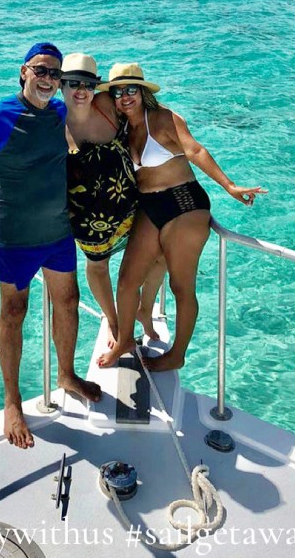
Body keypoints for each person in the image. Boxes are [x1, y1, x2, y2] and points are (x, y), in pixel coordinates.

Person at [0, 42, 101, 449]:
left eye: (55, 74)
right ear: (23, 72)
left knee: (67, 301)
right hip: (13, 235)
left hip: (57, 233)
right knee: (14, 312)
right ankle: (12, 401)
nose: (48, 79)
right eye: (41, 70)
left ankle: (66, 374)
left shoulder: (60, 112)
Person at [96, 62, 267, 372]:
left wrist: (229, 185)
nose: (125, 97)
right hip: (151, 205)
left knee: (181, 286)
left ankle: (177, 354)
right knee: (126, 281)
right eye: (118, 91)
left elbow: (195, 151)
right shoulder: (121, 127)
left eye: (131, 89)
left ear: (143, 92)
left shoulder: (162, 118)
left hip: (185, 203)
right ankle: (124, 340)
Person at [60, 53, 166, 344]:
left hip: (132, 205)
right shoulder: (52, 124)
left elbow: (144, 115)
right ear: (60, 85)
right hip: (87, 220)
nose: (80, 91)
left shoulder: (106, 105)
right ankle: (113, 318)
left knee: (162, 254)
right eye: (72, 83)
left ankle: (144, 309)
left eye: (88, 84)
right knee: (99, 267)